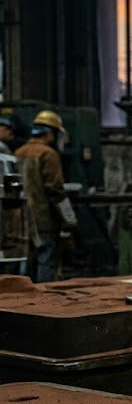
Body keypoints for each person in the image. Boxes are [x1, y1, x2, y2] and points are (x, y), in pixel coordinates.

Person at [16, 110, 76, 282]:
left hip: (21, 220)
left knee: (24, 263)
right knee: (45, 261)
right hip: (43, 220)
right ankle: (44, 303)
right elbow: (55, 189)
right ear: (51, 133)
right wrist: (69, 219)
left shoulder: (19, 152)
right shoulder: (48, 154)